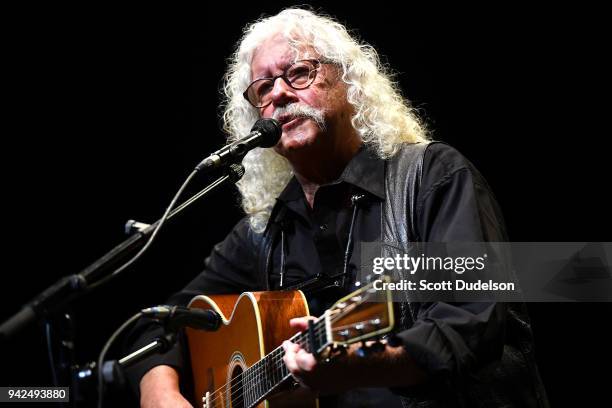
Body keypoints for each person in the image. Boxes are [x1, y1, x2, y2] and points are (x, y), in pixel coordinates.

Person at [127, 8, 549, 407]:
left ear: (349, 81)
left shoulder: (429, 179)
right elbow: (155, 325)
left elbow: (470, 322)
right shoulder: (267, 231)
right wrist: (158, 389)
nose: (278, 93)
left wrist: (361, 368)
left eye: (298, 73)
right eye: (263, 87)